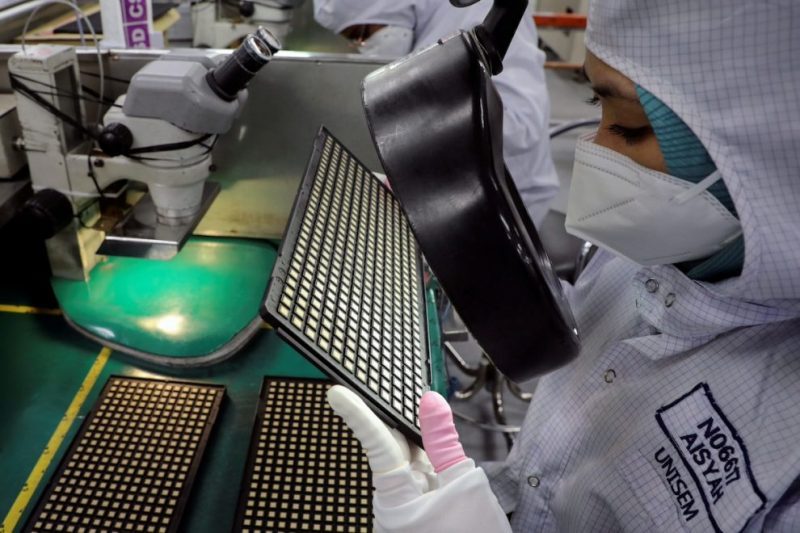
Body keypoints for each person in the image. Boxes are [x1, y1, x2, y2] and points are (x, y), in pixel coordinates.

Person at [326, 0, 800, 531]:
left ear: (775, 161)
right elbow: (572, 345)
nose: (594, 151)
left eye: (626, 126)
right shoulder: (646, 249)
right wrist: (460, 256)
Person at [313, 0, 560, 226]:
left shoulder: (481, 9)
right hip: (454, 192)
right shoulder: (425, 17)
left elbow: (521, 125)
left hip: (507, 206)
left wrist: (424, 119)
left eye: (362, 34)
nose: (363, 46)